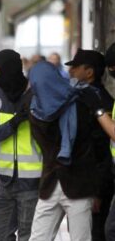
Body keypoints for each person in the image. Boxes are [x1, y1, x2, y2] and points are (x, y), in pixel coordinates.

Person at [28, 49, 110, 241]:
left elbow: (99, 148)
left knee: (81, 238)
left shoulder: (81, 102)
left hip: (79, 184)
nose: (37, 87)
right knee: (38, 237)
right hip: (50, 185)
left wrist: (98, 190)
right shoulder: (34, 108)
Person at [0, 49, 42, 241]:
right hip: (5, 182)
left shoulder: (36, 94)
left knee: (28, 237)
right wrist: (12, 124)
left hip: (32, 184)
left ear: (10, 71)